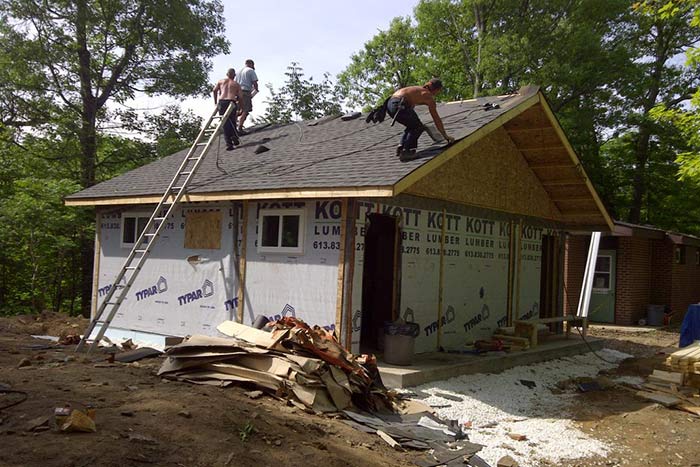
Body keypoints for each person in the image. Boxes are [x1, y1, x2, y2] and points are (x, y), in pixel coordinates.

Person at [386, 78, 455, 161]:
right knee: (418, 127)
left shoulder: (417, 90)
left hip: (389, 104)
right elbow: (436, 118)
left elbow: (409, 108)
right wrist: (445, 135)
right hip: (399, 104)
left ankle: (401, 147)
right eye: (438, 92)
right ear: (436, 90)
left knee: (412, 125)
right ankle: (407, 152)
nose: (437, 94)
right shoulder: (427, 95)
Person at [213, 68, 243, 150]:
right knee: (232, 121)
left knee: (225, 123)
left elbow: (214, 90)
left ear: (227, 74)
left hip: (222, 102)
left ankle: (229, 144)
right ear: (234, 75)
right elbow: (240, 97)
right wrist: (241, 108)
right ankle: (234, 136)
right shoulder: (236, 84)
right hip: (231, 102)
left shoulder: (221, 81)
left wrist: (216, 102)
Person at [235, 59, 259, 133]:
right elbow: (255, 82)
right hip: (245, 92)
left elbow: (235, 82)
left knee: (237, 110)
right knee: (245, 110)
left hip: (237, 92)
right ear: (251, 64)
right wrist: (256, 89)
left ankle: (233, 126)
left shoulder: (238, 72)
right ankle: (240, 128)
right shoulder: (250, 70)